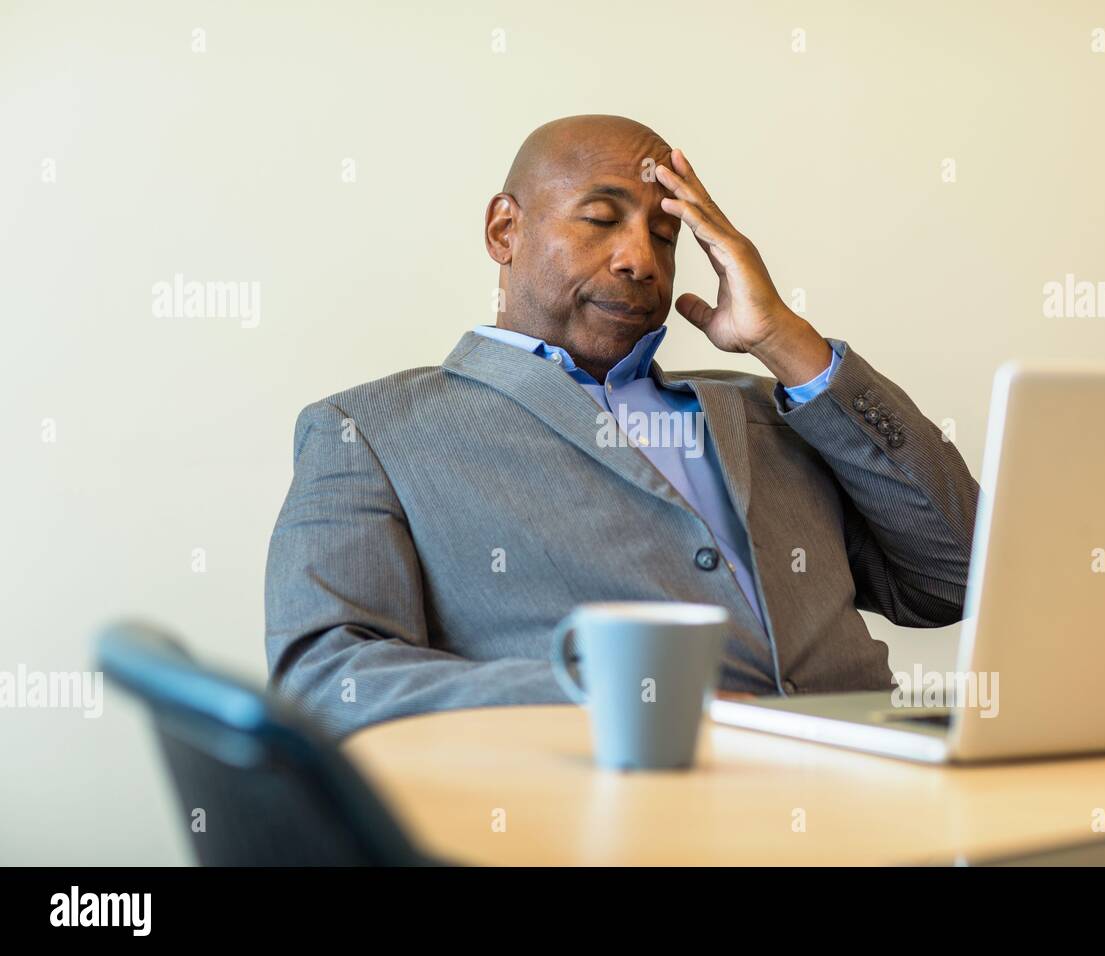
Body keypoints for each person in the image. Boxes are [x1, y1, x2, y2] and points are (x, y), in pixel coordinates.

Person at [265, 114, 980, 739]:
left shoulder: (773, 410)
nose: (641, 260)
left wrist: (787, 342)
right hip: (623, 816)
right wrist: (604, 700)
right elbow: (327, 680)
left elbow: (954, 579)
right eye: (602, 220)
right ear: (504, 229)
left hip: (881, 800)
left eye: (665, 234)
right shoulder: (371, 430)